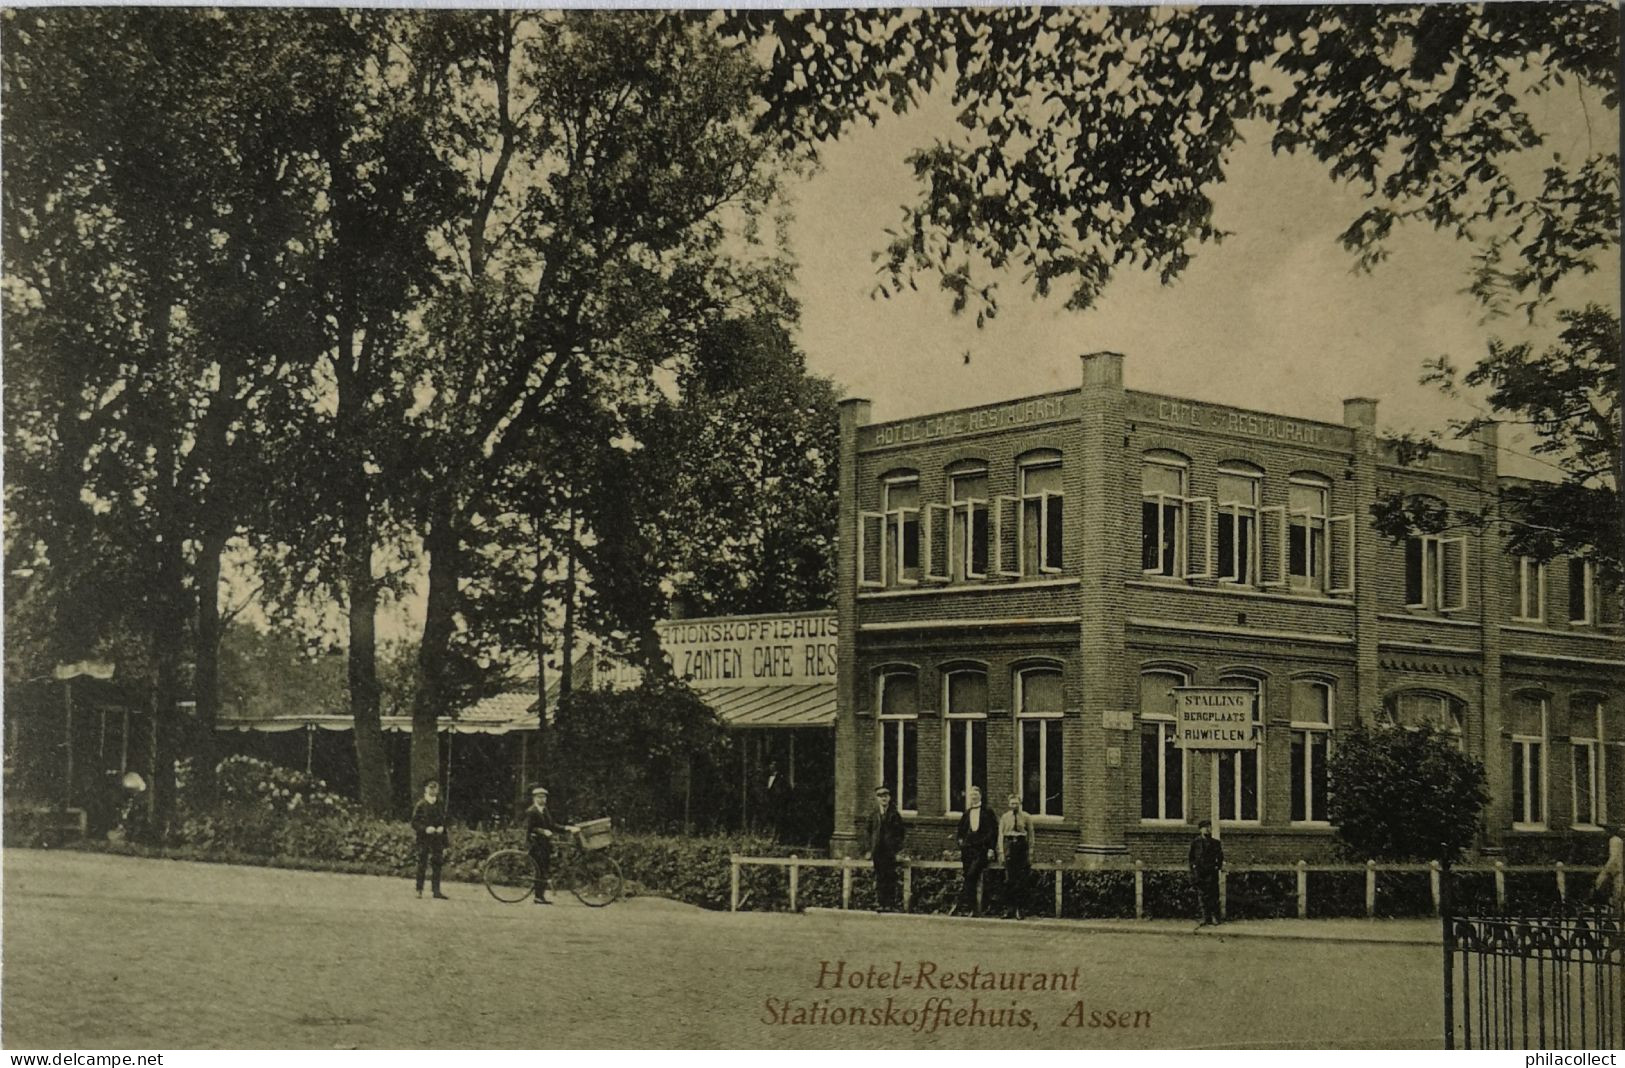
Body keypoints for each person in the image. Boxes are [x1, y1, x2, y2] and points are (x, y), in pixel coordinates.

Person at [955, 786, 999, 917]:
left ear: (980, 796)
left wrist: (991, 849)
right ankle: (971, 908)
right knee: (968, 875)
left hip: (982, 850)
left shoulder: (988, 812)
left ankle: (976, 907)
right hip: (968, 850)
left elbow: (994, 831)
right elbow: (960, 831)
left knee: (971, 875)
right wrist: (961, 842)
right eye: (971, 796)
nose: (973, 798)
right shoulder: (967, 813)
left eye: (976, 795)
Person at [863, 785, 906, 911]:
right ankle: (881, 903)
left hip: (889, 852)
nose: (884, 799)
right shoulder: (873, 815)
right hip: (878, 851)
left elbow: (900, 834)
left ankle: (890, 904)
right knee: (880, 876)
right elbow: (867, 833)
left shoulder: (894, 815)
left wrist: (897, 850)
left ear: (889, 798)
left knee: (890, 877)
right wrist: (868, 850)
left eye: (886, 796)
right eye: (881, 796)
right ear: (877, 799)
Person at [410, 779, 450, 900]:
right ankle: (419, 889)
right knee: (422, 863)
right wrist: (425, 829)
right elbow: (414, 822)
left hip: (437, 839)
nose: (433, 790)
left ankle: (436, 890)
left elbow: (443, 821)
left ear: (437, 790)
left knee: (437, 863)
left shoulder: (440, 804)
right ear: (426, 789)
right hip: (424, 839)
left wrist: (443, 831)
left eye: (435, 788)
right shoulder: (421, 804)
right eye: (430, 787)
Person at [997, 792, 1035, 919]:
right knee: (1009, 880)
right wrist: (1001, 852)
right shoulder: (1004, 817)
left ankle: (1020, 909)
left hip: (1021, 847)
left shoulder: (1026, 817)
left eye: (1016, 803)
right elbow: (1001, 836)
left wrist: (1030, 852)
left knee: (1021, 880)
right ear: (1009, 804)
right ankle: (1009, 909)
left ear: (1020, 804)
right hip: (1009, 846)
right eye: (1012, 803)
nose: (1014, 806)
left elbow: (1031, 836)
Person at [525, 785, 562, 905]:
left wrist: (567, 828)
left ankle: (540, 896)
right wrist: (543, 831)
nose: (543, 800)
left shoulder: (544, 810)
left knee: (545, 869)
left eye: (544, 797)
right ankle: (538, 897)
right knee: (540, 870)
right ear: (534, 798)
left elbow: (552, 825)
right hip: (535, 844)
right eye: (540, 797)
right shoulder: (531, 811)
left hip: (544, 844)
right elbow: (530, 829)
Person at [1189, 820, 1224, 925]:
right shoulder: (1195, 843)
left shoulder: (1215, 843)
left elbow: (1220, 857)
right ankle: (1205, 917)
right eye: (1205, 827)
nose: (1207, 829)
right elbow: (1191, 858)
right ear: (1200, 829)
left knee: (1213, 895)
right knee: (1202, 895)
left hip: (1211, 872)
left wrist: (1217, 868)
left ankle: (1215, 917)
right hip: (1200, 872)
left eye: (1209, 827)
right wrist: (1194, 869)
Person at [1592, 828, 1624, 913]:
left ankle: (1616, 911)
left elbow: (1613, 857)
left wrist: (1605, 870)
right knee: (1616, 890)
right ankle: (1617, 911)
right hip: (1617, 869)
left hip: (1614, 869)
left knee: (1601, 884)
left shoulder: (1614, 841)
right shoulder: (1617, 840)